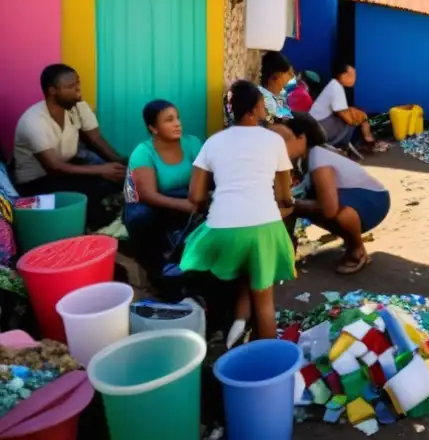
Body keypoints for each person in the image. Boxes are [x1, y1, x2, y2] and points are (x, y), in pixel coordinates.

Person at [179, 80, 296, 345]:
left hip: (222, 230)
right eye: (263, 103)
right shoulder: (274, 140)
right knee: (264, 300)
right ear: (255, 108)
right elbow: (284, 195)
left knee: (230, 274)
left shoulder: (212, 142)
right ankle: (267, 362)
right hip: (264, 228)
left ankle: (224, 332)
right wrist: (287, 203)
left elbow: (195, 196)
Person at [274, 114, 391, 276]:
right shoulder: (303, 157)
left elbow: (328, 209)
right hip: (348, 196)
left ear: (301, 138)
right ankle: (286, 251)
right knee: (292, 205)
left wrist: (291, 203)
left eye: (284, 142)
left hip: (371, 200)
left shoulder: (319, 161)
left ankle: (357, 250)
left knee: (335, 213)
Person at [12, 64, 125, 230]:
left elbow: (96, 138)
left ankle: (107, 213)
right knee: (89, 191)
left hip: (67, 168)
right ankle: (100, 228)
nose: (78, 90)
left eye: (78, 83)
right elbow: (53, 166)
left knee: (118, 178)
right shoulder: (33, 121)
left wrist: (122, 163)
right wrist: (102, 170)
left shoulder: (77, 106)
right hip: (37, 182)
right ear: (52, 91)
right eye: (71, 87)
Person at [123, 100, 202, 278]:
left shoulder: (192, 143)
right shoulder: (143, 152)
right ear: (153, 128)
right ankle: (157, 270)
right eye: (169, 120)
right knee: (140, 217)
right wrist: (185, 205)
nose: (177, 123)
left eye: (178, 118)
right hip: (151, 203)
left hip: (184, 196)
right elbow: (147, 194)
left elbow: (205, 177)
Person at [308, 63, 386, 152]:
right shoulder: (336, 88)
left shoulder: (334, 85)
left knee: (359, 115)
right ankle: (365, 141)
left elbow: (342, 111)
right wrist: (363, 118)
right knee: (357, 121)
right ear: (343, 75)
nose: (355, 78)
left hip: (317, 126)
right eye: (352, 75)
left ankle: (367, 139)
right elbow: (348, 119)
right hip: (321, 128)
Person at [258, 52, 294, 123]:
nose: (290, 79)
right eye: (289, 74)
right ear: (277, 75)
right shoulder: (266, 101)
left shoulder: (272, 98)